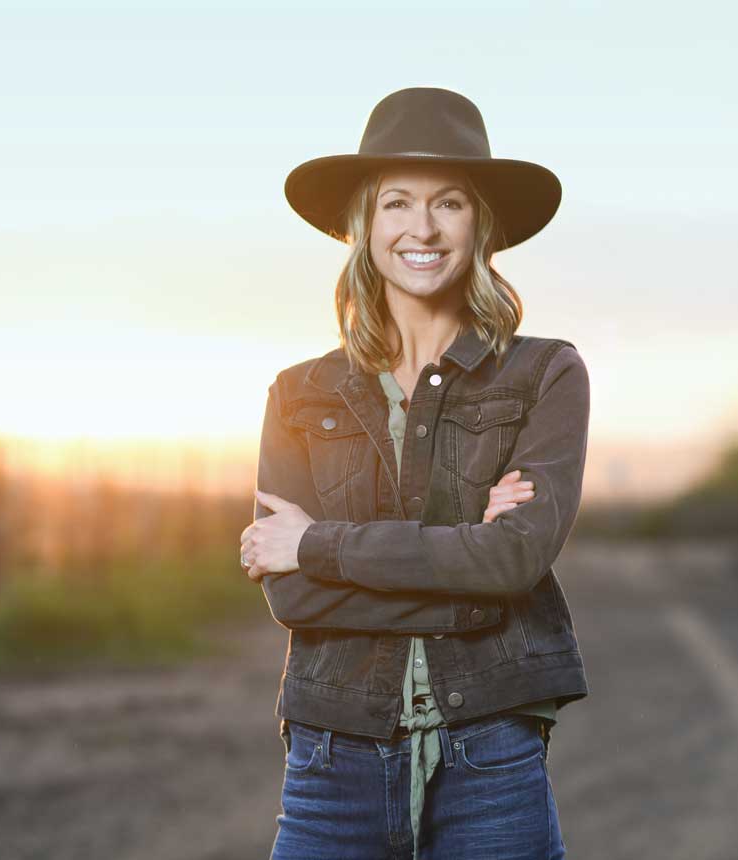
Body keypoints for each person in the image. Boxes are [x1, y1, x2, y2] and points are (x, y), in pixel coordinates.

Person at [239, 87, 590, 860]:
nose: (422, 228)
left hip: (492, 753)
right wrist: (467, 567)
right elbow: (292, 593)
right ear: (366, 226)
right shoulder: (299, 393)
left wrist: (320, 545)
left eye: (450, 204)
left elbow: (513, 558)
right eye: (397, 203)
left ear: (481, 223)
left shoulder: (545, 373)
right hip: (331, 760)